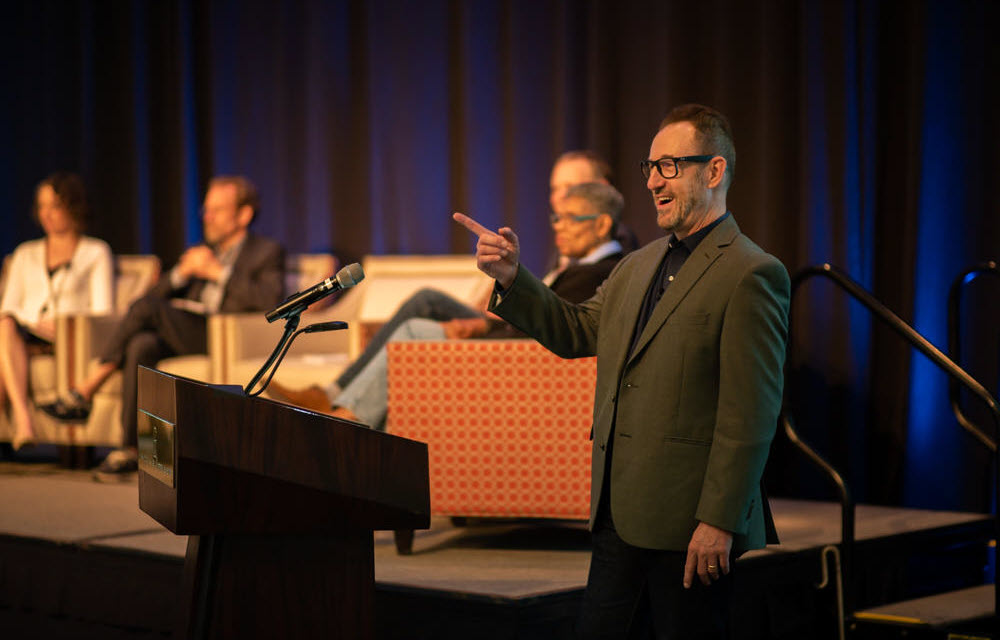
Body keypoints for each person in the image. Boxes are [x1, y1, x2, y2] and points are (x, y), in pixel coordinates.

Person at [454, 104, 790, 638]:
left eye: (670, 166)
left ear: (715, 171)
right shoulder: (637, 265)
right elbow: (576, 330)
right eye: (650, 167)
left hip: (689, 528)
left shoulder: (752, 272)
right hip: (617, 513)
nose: (654, 181)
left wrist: (720, 519)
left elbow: (750, 414)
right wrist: (515, 278)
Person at [269, 150, 624, 412]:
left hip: (518, 348)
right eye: (556, 207)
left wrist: (483, 326)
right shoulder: (574, 255)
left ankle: (348, 416)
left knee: (415, 332)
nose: (557, 222)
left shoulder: (603, 268)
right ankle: (331, 394)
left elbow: (555, 327)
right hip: (507, 329)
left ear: (603, 221)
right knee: (426, 301)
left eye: (569, 215)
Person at [42, 175, 285, 474]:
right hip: (186, 328)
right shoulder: (201, 252)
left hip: (226, 336)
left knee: (149, 311)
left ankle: (87, 386)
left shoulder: (266, 251)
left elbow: (270, 302)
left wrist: (218, 273)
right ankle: (138, 449)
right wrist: (182, 273)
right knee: (141, 345)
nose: (207, 217)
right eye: (205, 210)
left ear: (244, 214)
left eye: (216, 210)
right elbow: (147, 301)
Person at [0, 173, 113, 451]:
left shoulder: (95, 252)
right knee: (4, 326)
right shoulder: (25, 253)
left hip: (70, 338)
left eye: (55, 206)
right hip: (25, 333)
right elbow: (9, 306)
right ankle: (24, 420)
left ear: (73, 207)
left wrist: (63, 326)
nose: (46, 214)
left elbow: (103, 312)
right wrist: (34, 323)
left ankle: (19, 427)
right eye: (42, 206)